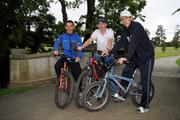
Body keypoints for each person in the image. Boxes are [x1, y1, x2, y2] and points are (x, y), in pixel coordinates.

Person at [111, 10, 154, 113]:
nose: (124, 19)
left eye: (126, 17)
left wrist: (126, 57)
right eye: (122, 18)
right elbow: (120, 42)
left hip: (146, 56)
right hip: (135, 56)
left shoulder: (136, 26)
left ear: (131, 18)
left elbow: (133, 43)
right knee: (126, 71)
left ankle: (145, 105)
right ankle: (123, 94)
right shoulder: (125, 30)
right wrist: (109, 52)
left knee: (145, 81)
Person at [77, 17, 125, 101]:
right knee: (90, 65)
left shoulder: (110, 31)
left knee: (110, 74)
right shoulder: (96, 32)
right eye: (99, 24)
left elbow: (110, 42)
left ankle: (115, 93)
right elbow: (89, 40)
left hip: (109, 54)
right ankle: (90, 79)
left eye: (103, 23)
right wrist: (82, 47)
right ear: (97, 25)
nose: (101, 25)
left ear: (106, 24)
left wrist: (107, 50)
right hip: (99, 54)